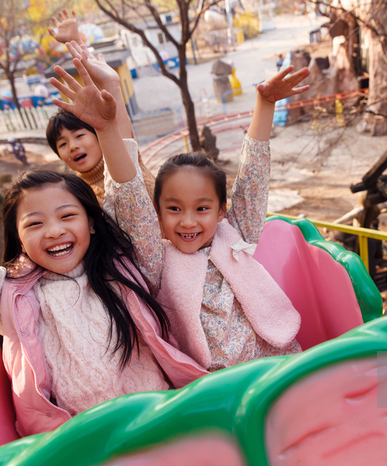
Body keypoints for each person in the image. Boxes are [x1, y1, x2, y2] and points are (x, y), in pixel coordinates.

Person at [0, 82, 205, 437]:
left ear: (91, 223)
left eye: (66, 216)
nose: (53, 231)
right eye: (35, 223)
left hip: (164, 427)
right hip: (80, 448)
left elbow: (130, 193)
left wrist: (107, 128)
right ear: (19, 238)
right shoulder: (10, 299)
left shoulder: (128, 263)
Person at [51, 57, 311, 372]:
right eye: (174, 209)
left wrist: (265, 102)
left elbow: (254, 176)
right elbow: (129, 190)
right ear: (156, 216)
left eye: (202, 208)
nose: (187, 221)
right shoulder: (156, 260)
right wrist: (106, 131)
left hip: (278, 364)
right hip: (214, 388)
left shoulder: (236, 233)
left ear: (221, 212)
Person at [46, 11, 155, 203]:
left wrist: (75, 42)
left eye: (79, 135)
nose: (73, 146)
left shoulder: (126, 158)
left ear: (99, 137)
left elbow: (114, 116)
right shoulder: (76, 196)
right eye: (62, 144)